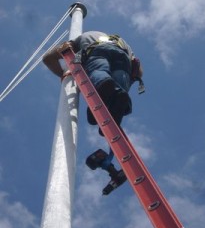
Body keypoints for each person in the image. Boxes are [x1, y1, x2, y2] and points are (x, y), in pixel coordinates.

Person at [43, 31, 143, 195]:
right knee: (118, 88)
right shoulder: (121, 40)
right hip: (123, 59)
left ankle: (104, 85)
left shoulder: (84, 36)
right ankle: (117, 96)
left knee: (99, 72)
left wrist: (64, 75)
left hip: (96, 51)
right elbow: (139, 72)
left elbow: (47, 58)